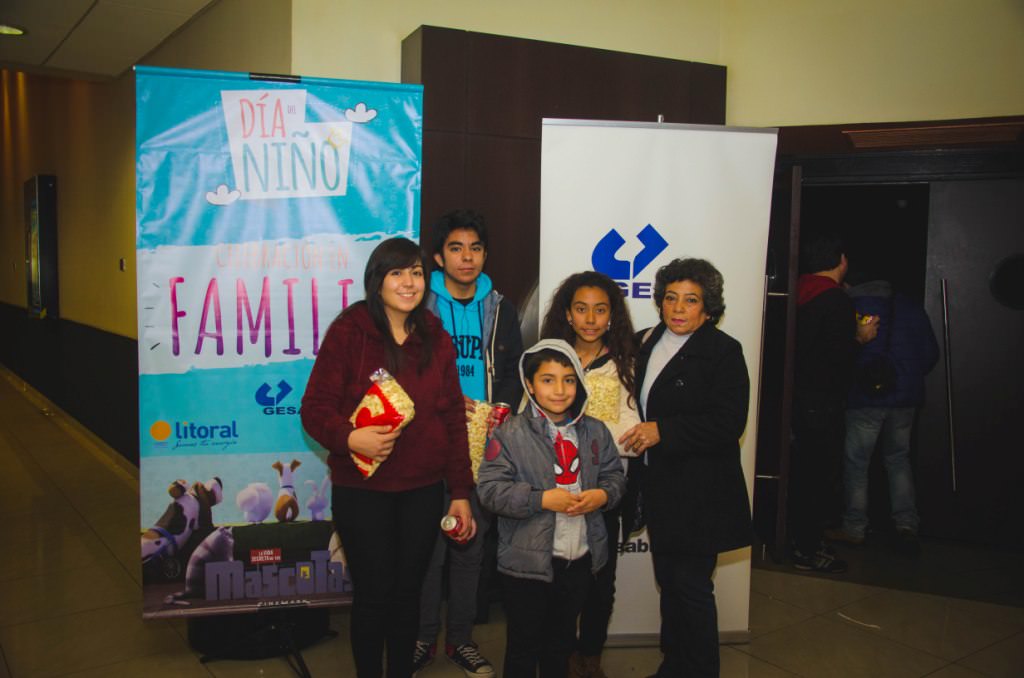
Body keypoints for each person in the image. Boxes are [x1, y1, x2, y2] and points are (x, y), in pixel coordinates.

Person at [301, 237, 475, 678]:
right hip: (362, 489)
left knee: (408, 594)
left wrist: (460, 492)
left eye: (416, 272)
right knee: (373, 594)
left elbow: (453, 417)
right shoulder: (350, 331)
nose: (409, 282)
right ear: (377, 281)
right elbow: (315, 409)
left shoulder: (436, 337)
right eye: (397, 273)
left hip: (422, 489)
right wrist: (350, 438)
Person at [618, 257, 752, 678]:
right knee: (671, 585)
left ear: (708, 308)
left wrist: (665, 431)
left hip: (701, 492)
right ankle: (674, 666)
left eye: (690, 300)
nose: (678, 308)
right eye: (671, 297)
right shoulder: (645, 342)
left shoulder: (723, 351)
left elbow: (729, 423)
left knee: (691, 588)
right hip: (658, 486)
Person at [415, 209, 523, 677]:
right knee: (427, 550)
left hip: (483, 447)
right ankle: (421, 639)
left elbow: (515, 370)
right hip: (428, 443)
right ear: (439, 257)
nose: (467, 258)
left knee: (469, 547)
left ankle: (460, 640)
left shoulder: (500, 307)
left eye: (475, 248)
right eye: (456, 248)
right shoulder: (420, 304)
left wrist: (500, 409)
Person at [477, 339, 626, 678]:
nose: (559, 390)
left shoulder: (595, 431)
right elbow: (490, 490)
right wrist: (540, 499)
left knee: (560, 645)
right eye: (548, 380)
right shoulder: (509, 434)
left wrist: (602, 495)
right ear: (529, 385)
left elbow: (615, 477)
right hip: (526, 567)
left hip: (578, 560)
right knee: (523, 646)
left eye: (568, 380)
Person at [539, 271, 640, 678]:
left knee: (600, 579)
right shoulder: (549, 359)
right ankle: (560, 654)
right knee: (557, 579)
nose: (591, 319)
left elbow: (631, 434)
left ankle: (590, 656)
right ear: (568, 313)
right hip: (555, 489)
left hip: (603, 491)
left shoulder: (624, 363)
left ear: (612, 315)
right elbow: (532, 424)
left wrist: (584, 435)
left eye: (600, 310)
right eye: (581, 309)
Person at [828, 276, 939, 556]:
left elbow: (840, 354)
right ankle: (906, 525)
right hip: (905, 398)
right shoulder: (911, 307)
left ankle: (854, 527)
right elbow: (930, 353)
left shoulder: (852, 307)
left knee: (857, 464)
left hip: (865, 397)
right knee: (898, 460)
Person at [789, 234, 878, 574]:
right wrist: (860, 338)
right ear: (842, 260)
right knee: (817, 479)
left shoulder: (798, 293)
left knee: (800, 476)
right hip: (821, 404)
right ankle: (809, 549)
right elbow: (836, 360)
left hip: (796, 401)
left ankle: (797, 541)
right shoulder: (835, 300)